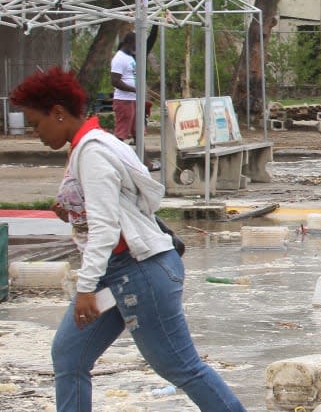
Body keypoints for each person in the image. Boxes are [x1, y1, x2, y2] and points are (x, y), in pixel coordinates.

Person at [10, 67, 246, 412]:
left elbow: (107, 228)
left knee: (179, 365)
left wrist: (86, 288)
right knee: (69, 355)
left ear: (58, 113)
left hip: (139, 273)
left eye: (36, 123)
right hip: (118, 272)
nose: (35, 132)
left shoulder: (92, 151)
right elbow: (117, 208)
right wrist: (74, 212)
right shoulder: (93, 143)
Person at [110, 31, 155, 144]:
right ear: (130, 42)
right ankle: (116, 156)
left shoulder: (130, 56)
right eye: (137, 43)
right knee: (122, 132)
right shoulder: (119, 58)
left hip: (134, 99)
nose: (138, 47)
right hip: (124, 100)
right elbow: (115, 81)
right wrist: (134, 89)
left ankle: (143, 159)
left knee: (138, 132)